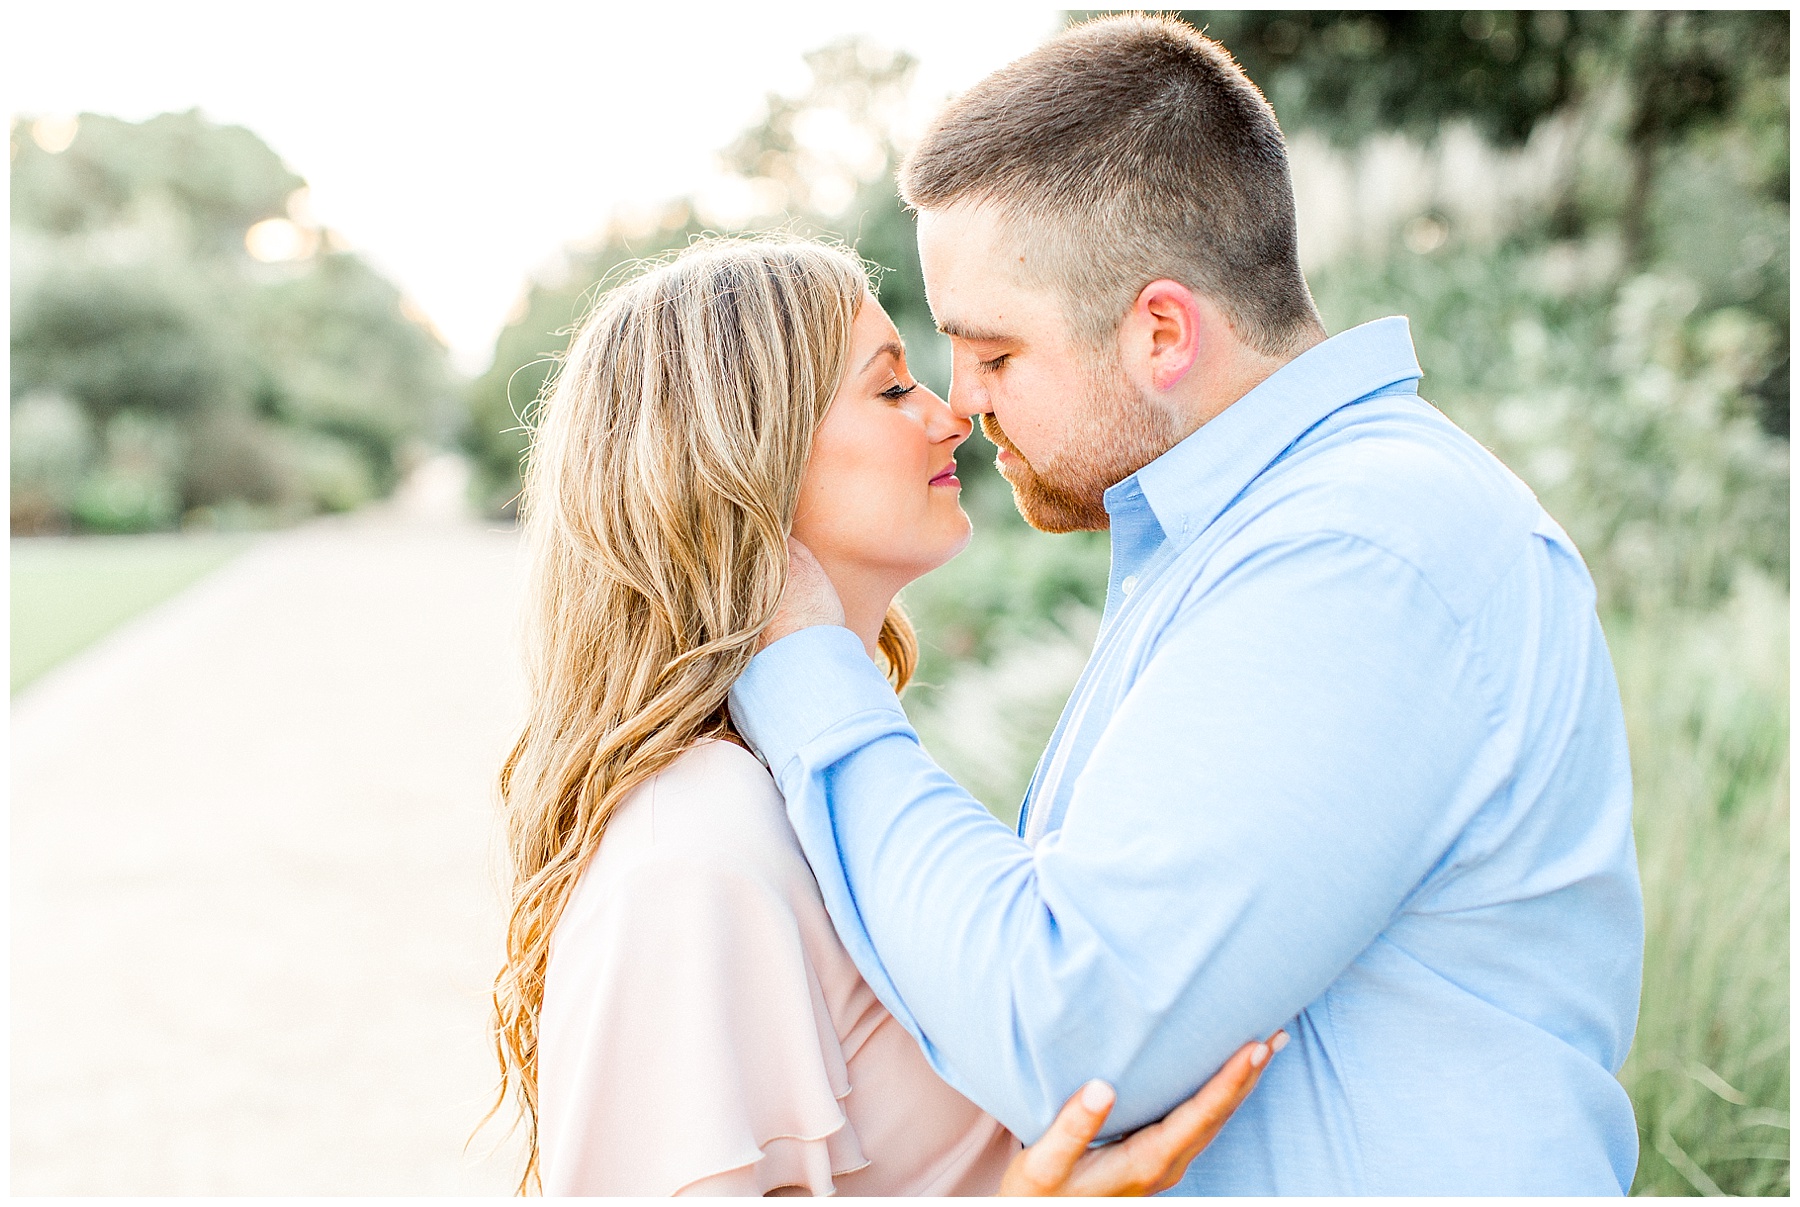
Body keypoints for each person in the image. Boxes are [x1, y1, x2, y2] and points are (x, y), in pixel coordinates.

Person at [728, 14, 1646, 1197]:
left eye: (995, 355)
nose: (964, 405)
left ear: (1162, 331)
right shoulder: (1260, 538)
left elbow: (1068, 1037)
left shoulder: (1357, 550)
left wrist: (806, 662)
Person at [488, 236, 1282, 1196]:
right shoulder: (693, 843)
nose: (952, 416)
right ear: (751, 455)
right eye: (893, 387)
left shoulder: (812, 776)